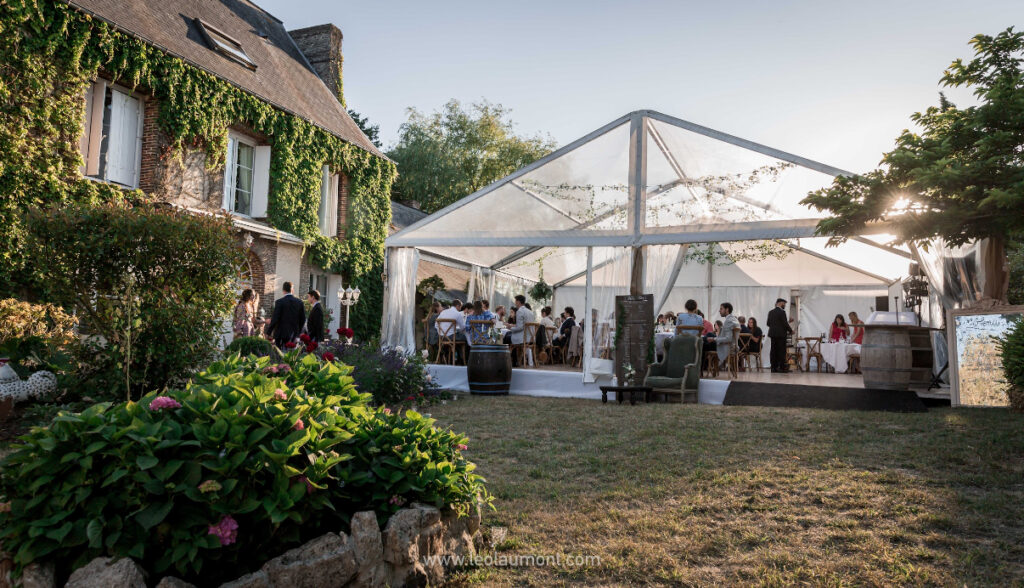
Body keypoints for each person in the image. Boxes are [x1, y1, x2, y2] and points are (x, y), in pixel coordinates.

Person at [266, 281, 305, 348]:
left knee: (279, 352)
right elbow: (302, 319)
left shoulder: (279, 302)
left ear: (283, 290)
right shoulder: (299, 302)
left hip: (280, 333)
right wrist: (298, 332)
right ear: (292, 290)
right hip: (294, 333)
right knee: (291, 353)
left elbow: (275, 319)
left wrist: (268, 332)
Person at [503, 295, 536, 366]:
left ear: (518, 302)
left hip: (522, 338)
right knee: (508, 336)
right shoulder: (530, 312)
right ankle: (515, 361)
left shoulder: (520, 311)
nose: (515, 303)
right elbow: (523, 325)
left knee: (506, 338)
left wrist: (510, 328)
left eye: (515, 301)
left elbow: (520, 327)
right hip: (531, 337)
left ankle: (508, 361)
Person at [767, 298, 793, 373]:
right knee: (781, 351)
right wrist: (791, 331)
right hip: (781, 335)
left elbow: (768, 323)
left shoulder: (771, 312)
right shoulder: (782, 312)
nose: (784, 305)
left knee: (773, 351)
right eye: (784, 303)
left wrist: (775, 326)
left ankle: (773, 368)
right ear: (780, 303)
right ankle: (781, 368)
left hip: (773, 334)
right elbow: (785, 324)